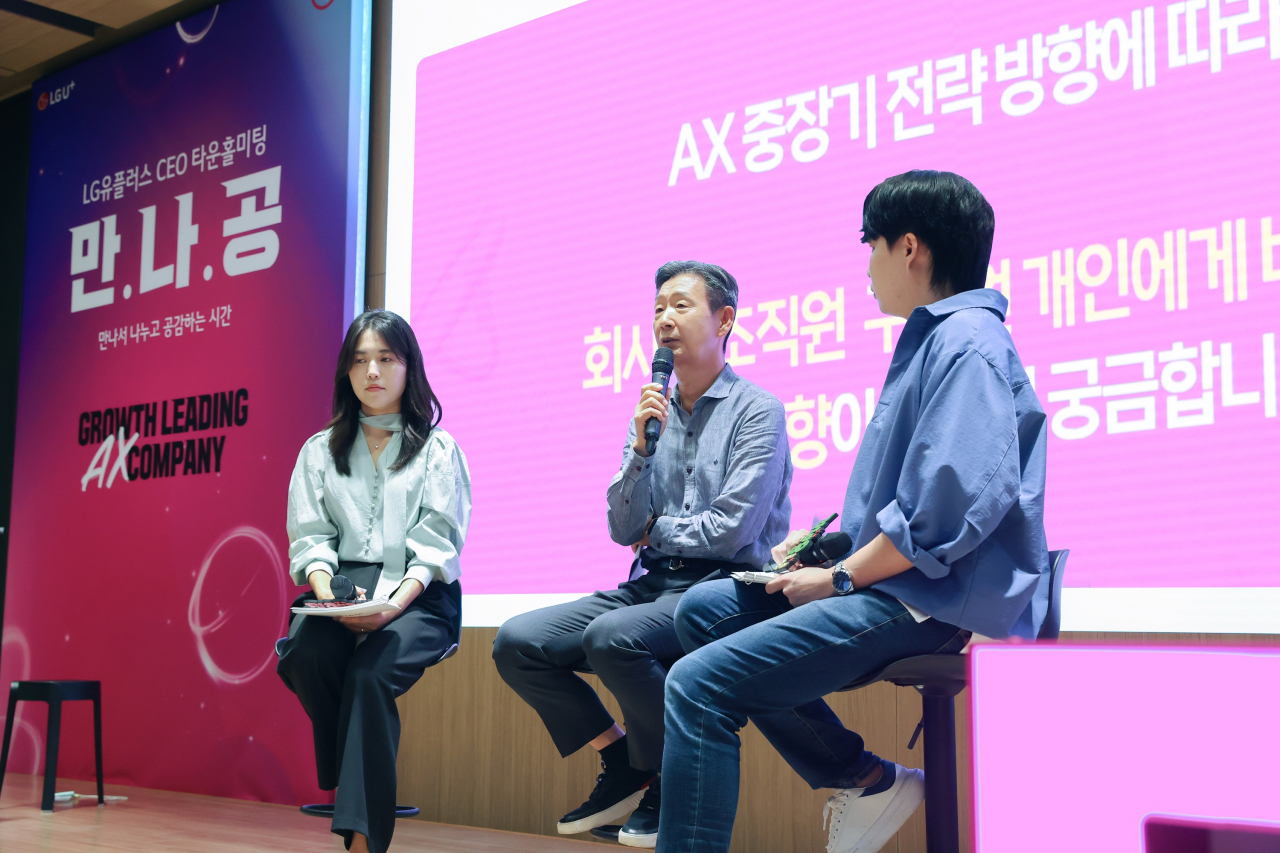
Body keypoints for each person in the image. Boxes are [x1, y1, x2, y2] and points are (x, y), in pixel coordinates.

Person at [657, 171, 1050, 853]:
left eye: (870, 245)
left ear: (909, 249)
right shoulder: (937, 339)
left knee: (696, 686)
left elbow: (943, 514)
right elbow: (912, 502)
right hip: (899, 581)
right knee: (701, 611)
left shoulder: (968, 343)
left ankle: (861, 777)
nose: (865, 266)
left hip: (932, 601)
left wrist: (839, 579)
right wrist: (827, 555)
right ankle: (865, 777)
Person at [491, 261, 792, 847]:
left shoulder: (758, 410)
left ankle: (665, 777)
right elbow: (621, 525)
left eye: (680, 306)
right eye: (657, 309)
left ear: (724, 319)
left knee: (613, 637)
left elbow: (732, 531)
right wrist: (639, 450)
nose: (663, 321)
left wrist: (656, 532)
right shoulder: (651, 411)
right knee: (517, 642)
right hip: (652, 584)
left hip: (725, 588)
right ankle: (628, 760)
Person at [276, 310, 472, 853]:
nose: (372, 372)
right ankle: (358, 775)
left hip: (419, 595)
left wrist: (390, 607)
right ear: (346, 371)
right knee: (307, 653)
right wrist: (330, 599)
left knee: (369, 676)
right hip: (344, 588)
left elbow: (435, 545)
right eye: (360, 360)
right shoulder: (319, 450)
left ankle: (361, 836)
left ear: (409, 368)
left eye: (386, 358)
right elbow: (311, 538)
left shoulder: (438, 449)